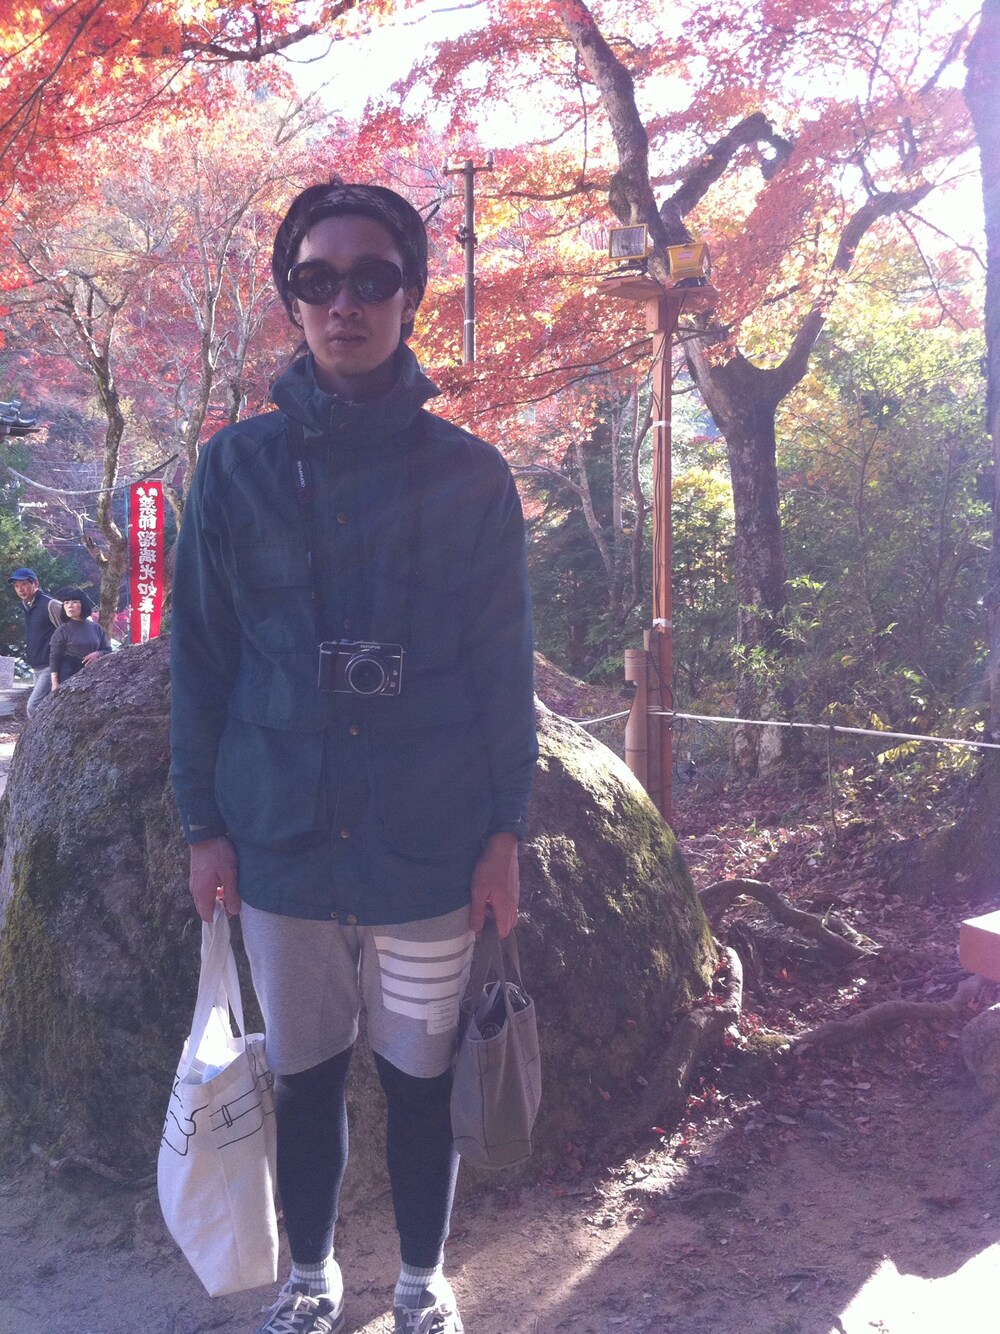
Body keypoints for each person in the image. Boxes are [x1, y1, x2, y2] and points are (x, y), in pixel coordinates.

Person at [170, 177, 538, 1334]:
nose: (345, 302)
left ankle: (423, 1280)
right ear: (291, 299)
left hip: (428, 842)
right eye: (317, 280)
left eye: (371, 277)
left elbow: (502, 668)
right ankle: (310, 1275)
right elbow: (201, 661)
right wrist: (202, 826)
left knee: (420, 1076)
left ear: (409, 295)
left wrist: (504, 830)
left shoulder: (469, 476)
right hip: (280, 839)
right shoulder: (233, 471)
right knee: (305, 1076)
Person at [8, 567, 57, 716]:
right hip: (36, 667)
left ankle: (40, 732)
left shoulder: (50, 604)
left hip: (50, 666)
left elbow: (68, 631)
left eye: (24, 584)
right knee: (45, 706)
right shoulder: (26, 606)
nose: (20, 589)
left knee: (33, 706)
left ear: (35, 583)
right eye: (16, 586)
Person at [48, 587, 112, 690]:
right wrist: (54, 682)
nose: (70, 605)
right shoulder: (62, 630)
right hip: (68, 677)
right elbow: (54, 656)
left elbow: (108, 650)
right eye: (66, 603)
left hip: (94, 676)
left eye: (74, 602)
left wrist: (98, 654)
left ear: (83, 605)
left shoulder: (96, 628)